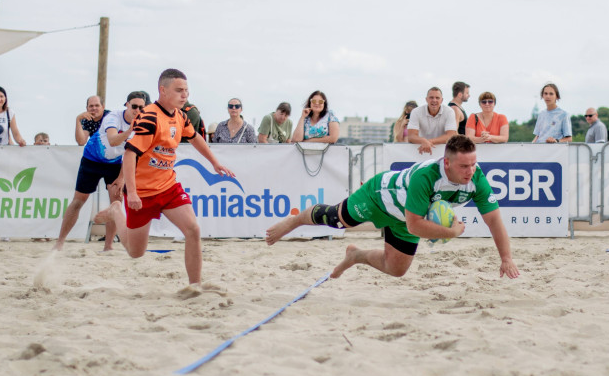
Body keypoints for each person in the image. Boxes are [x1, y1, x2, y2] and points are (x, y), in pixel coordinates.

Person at [266, 135, 519, 280]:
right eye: (464, 166)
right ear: (447, 163)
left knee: (396, 270)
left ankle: (356, 256)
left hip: (408, 215)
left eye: (474, 164)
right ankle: (295, 220)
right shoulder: (427, 177)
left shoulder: (477, 179)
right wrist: (452, 232)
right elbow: (415, 225)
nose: (471, 171)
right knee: (335, 219)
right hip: (378, 198)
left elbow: (494, 220)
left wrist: (506, 258)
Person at [107, 70, 235, 294]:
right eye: (179, 90)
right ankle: (116, 210)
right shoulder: (149, 117)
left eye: (186, 90)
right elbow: (129, 154)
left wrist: (214, 163)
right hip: (143, 192)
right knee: (135, 252)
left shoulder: (180, 115)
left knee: (193, 229)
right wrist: (133, 193)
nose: (184, 95)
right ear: (163, 90)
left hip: (168, 186)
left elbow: (195, 137)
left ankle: (195, 286)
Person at [54, 92, 148, 252]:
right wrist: (130, 131)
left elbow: (131, 154)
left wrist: (122, 178)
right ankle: (60, 242)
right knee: (78, 201)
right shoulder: (113, 117)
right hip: (92, 159)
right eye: (134, 106)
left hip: (115, 163)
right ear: (127, 105)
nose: (137, 110)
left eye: (141, 107)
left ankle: (108, 246)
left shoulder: (143, 125)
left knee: (115, 203)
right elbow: (112, 140)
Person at [408, 87, 457, 154]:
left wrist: (427, 142)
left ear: (441, 100)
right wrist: (423, 141)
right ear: (426, 99)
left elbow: (451, 136)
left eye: (437, 98)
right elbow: (411, 136)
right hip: (421, 151)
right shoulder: (416, 111)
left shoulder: (449, 111)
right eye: (431, 97)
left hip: (443, 152)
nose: (434, 100)